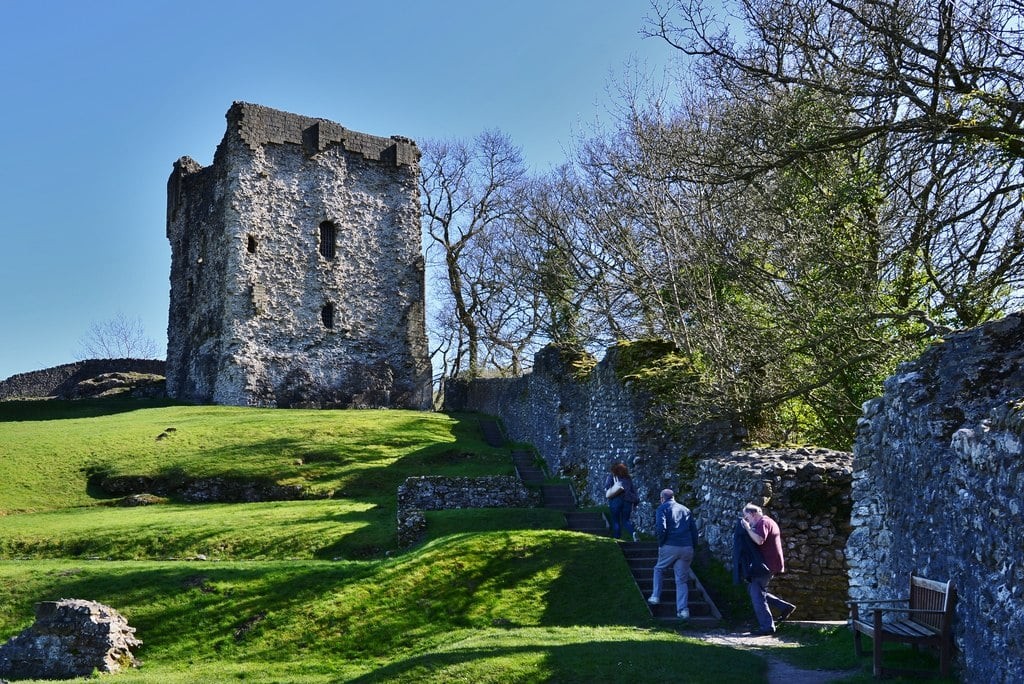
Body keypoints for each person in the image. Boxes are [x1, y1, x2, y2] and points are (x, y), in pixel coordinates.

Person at [738, 503, 796, 636]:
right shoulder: (769, 521)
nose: (746, 520)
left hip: (766, 565)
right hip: (770, 564)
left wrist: (747, 528)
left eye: (747, 517)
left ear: (753, 514)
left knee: (756, 594)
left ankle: (767, 627)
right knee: (754, 590)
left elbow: (759, 540)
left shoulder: (763, 523)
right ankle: (784, 607)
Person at [647, 489, 698, 620]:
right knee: (681, 580)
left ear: (662, 498)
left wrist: (661, 543)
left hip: (670, 545)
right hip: (687, 547)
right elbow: (694, 531)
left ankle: (655, 596)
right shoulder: (686, 509)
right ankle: (683, 610)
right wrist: (693, 546)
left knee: (659, 569)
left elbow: (661, 528)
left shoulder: (662, 508)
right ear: (673, 497)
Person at [604, 462, 640, 541]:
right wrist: (635, 502)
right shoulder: (628, 478)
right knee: (626, 520)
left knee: (615, 520)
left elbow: (607, 488)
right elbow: (633, 491)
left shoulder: (612, 476)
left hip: (615, 501)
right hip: (627, 501)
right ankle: (633, 532)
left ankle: (617, 538)